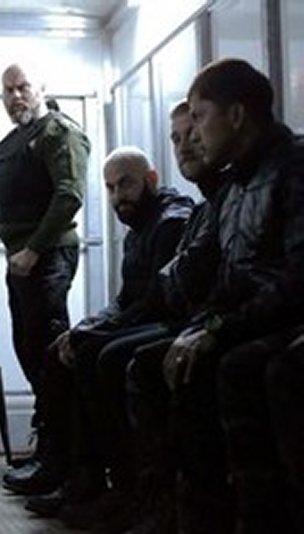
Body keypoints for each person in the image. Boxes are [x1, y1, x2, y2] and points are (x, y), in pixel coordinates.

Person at [161, 58, 304, 533]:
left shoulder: (294, 166)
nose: (195, 134)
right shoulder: (234, 187)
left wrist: (219, 329)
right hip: (257, 319)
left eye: (200, 117)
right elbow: (229, 281)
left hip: (285, 320)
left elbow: (297, 280)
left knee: (241, 367)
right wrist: (202, 327)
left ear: (237, 115)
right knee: (179, 360)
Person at [10, 147, 192, 511]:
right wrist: (89, 325)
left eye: (126, 184)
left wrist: (94, 332)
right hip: (145, 318)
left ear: (151, 180)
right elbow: (125, 299)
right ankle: (66, 470)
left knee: (94, 352)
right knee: (60, 348)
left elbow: (156, 301)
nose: (118, 195)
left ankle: (107, 483)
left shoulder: (171, 223)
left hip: (169, 321)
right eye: (110, 188)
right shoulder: (138, 229)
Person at [0, 64, 91, 488]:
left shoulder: (57, 131)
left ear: (41, 88)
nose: (16, 96)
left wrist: (34, 249)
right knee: (30, 349)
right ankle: (50, 445)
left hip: (46, 255)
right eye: (8, 90)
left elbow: (69, 194)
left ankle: (61, 461)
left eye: (23, 87)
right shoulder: (13, 142)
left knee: (51, 353)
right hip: (22, 259)